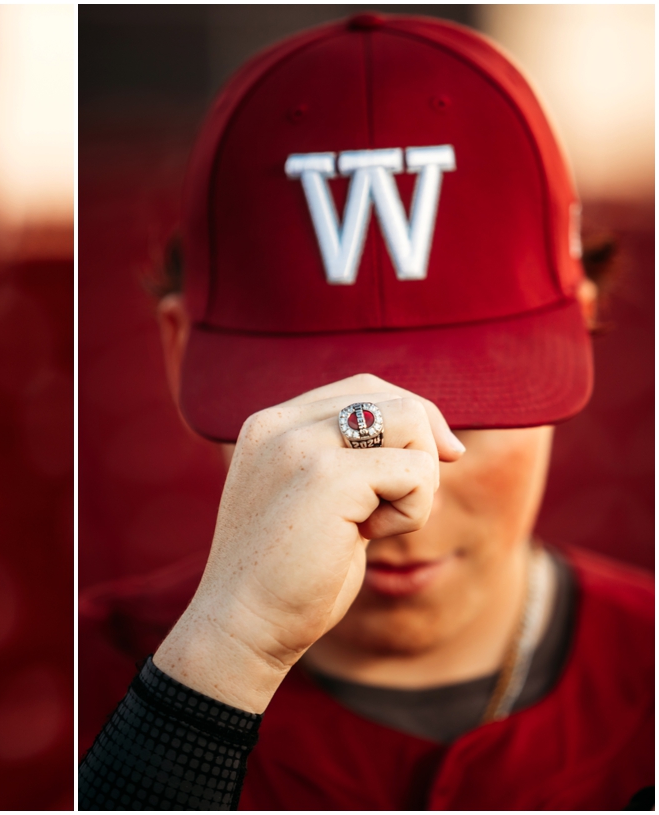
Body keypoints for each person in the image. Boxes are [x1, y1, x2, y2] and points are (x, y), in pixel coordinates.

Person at [77, 13, 653, 810]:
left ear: (582, 325)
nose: (400, 501)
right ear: (180, 350)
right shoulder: (76, 683)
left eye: (469, 409)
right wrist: (218, 668)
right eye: (328, 425)